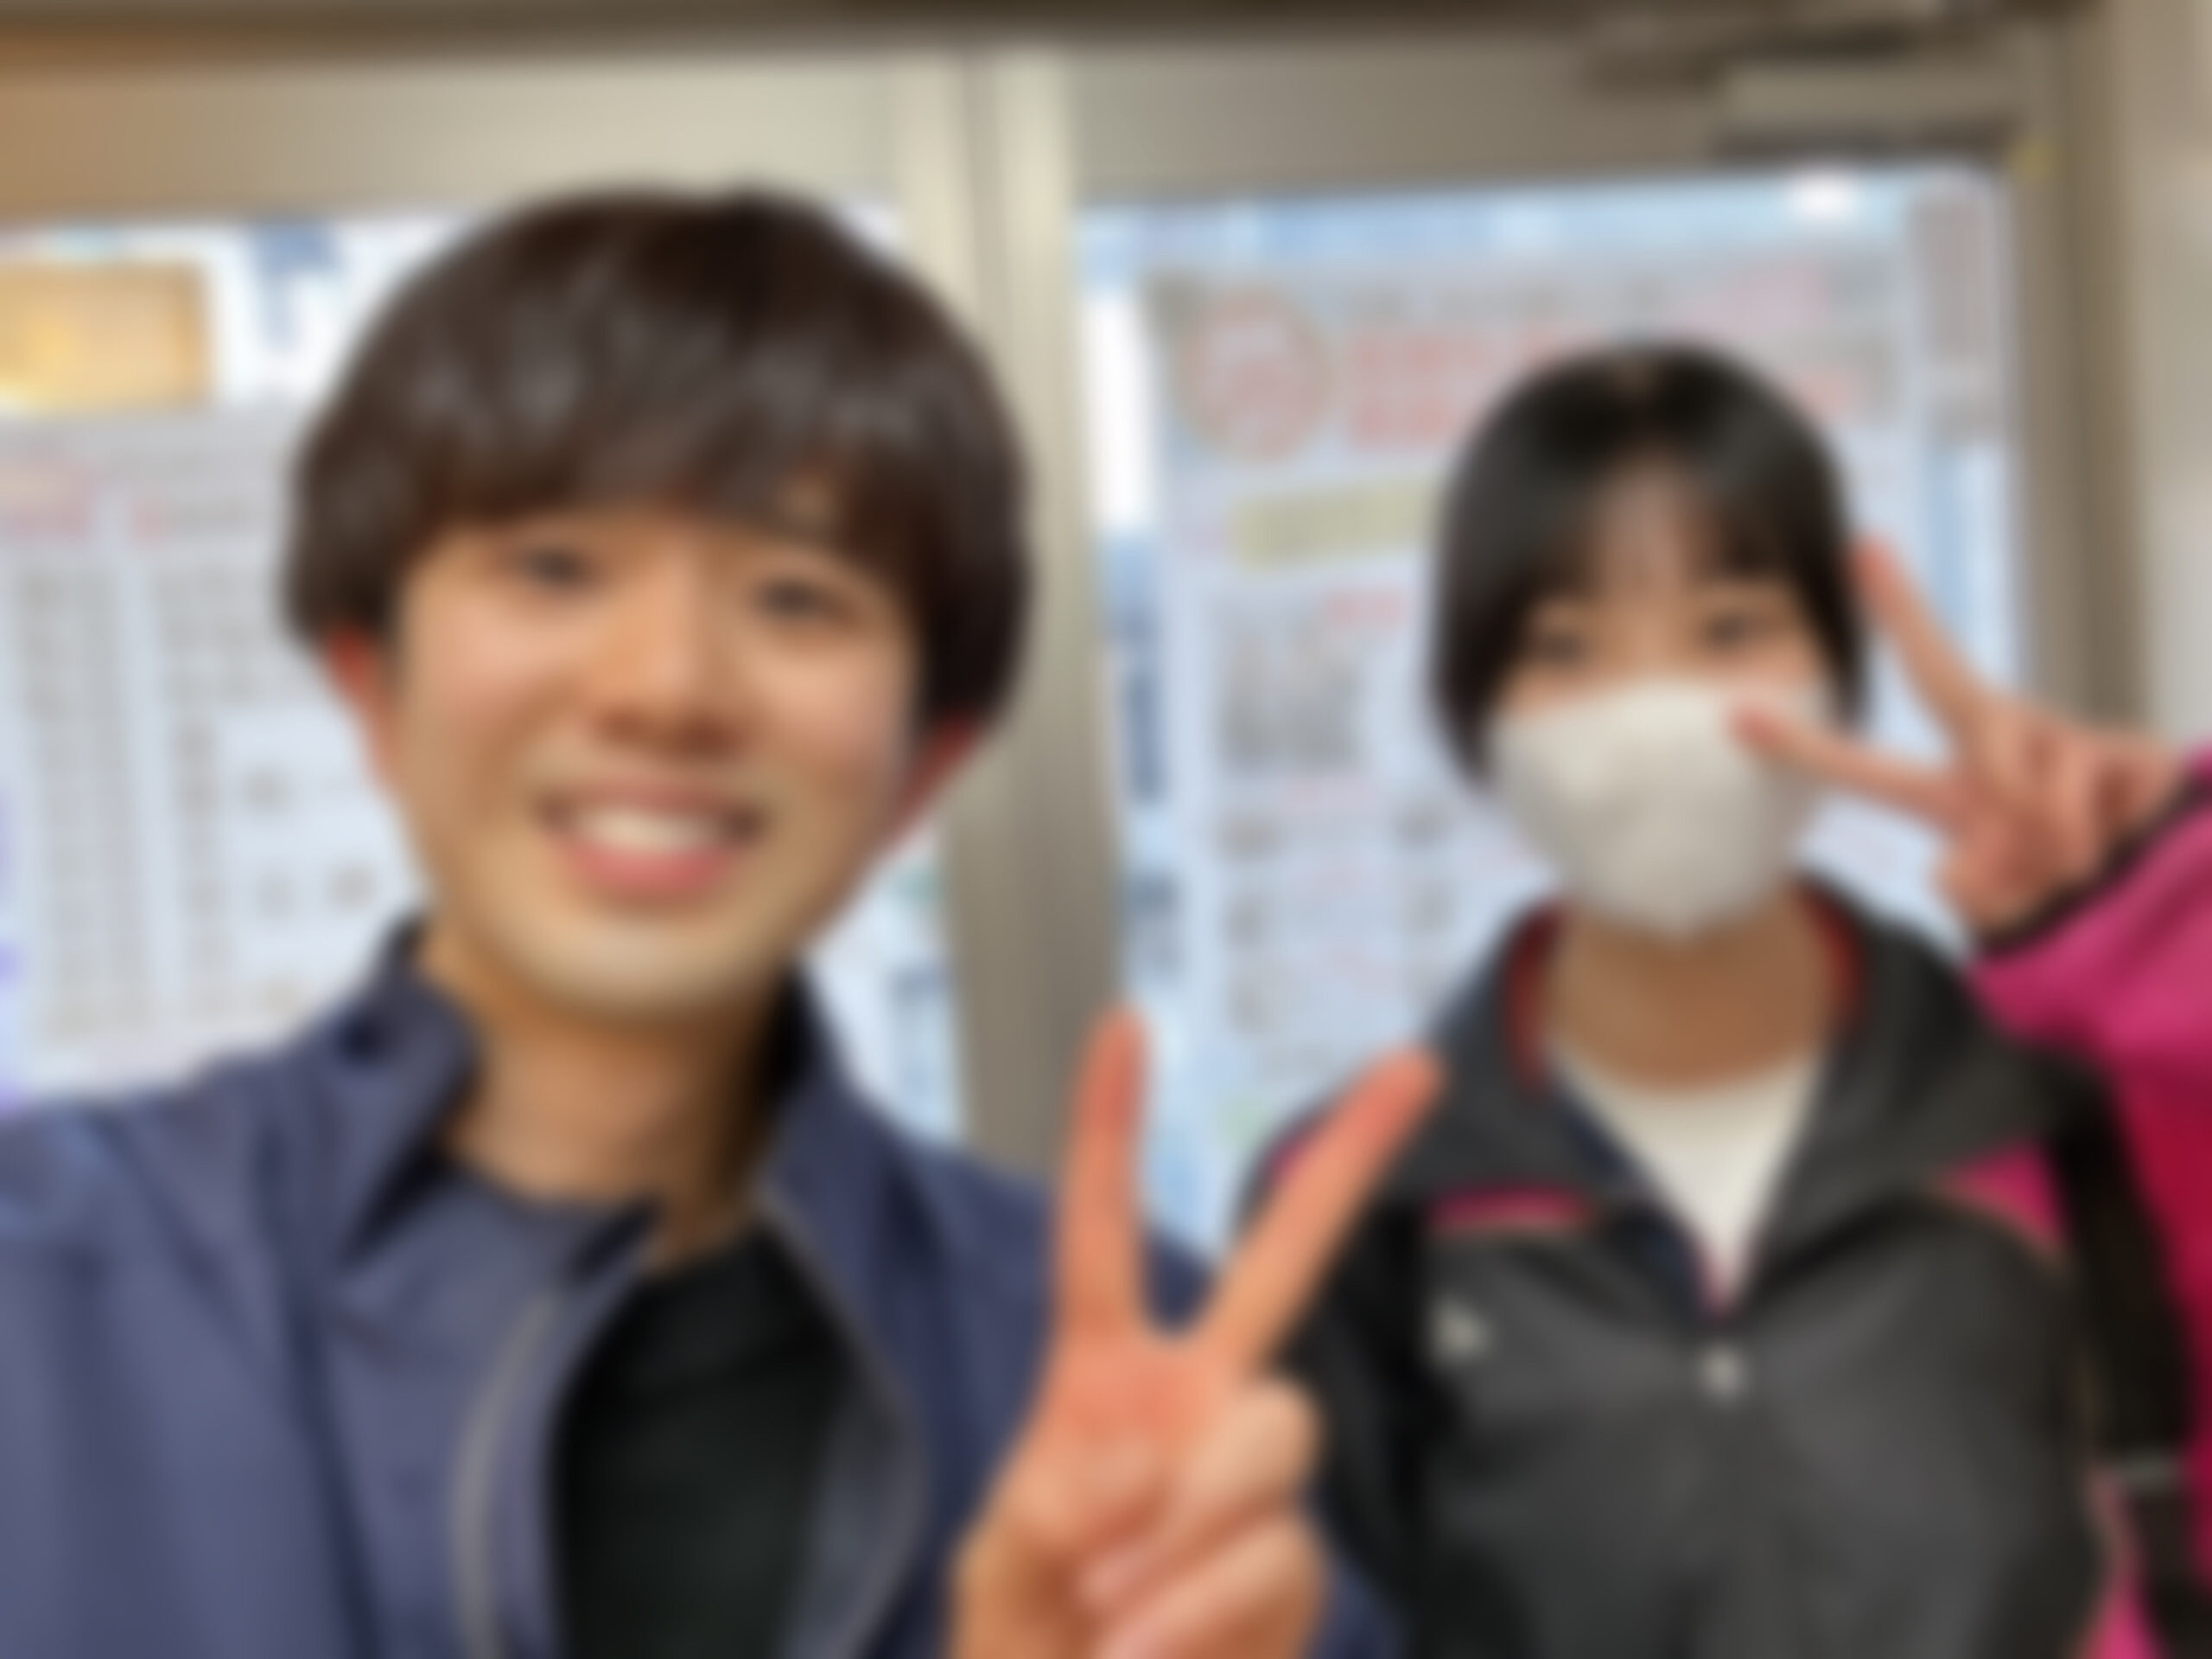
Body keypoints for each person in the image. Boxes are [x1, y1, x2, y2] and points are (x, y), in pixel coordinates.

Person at [0, 190, 1436, 1659]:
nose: (667, 687)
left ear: (921, 770)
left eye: (797, 598)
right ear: (375, 690)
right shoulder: (42, 1292)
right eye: (554, 568)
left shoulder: (1121, 1375)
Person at [1262, 341, 2212, 1659]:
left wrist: (2147, 909)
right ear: (1472, 708)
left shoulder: (2065, 1107)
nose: (1656, 708)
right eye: (1566, 646)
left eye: (1729, 631)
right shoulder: (1358, 1202)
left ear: (1837, 671)